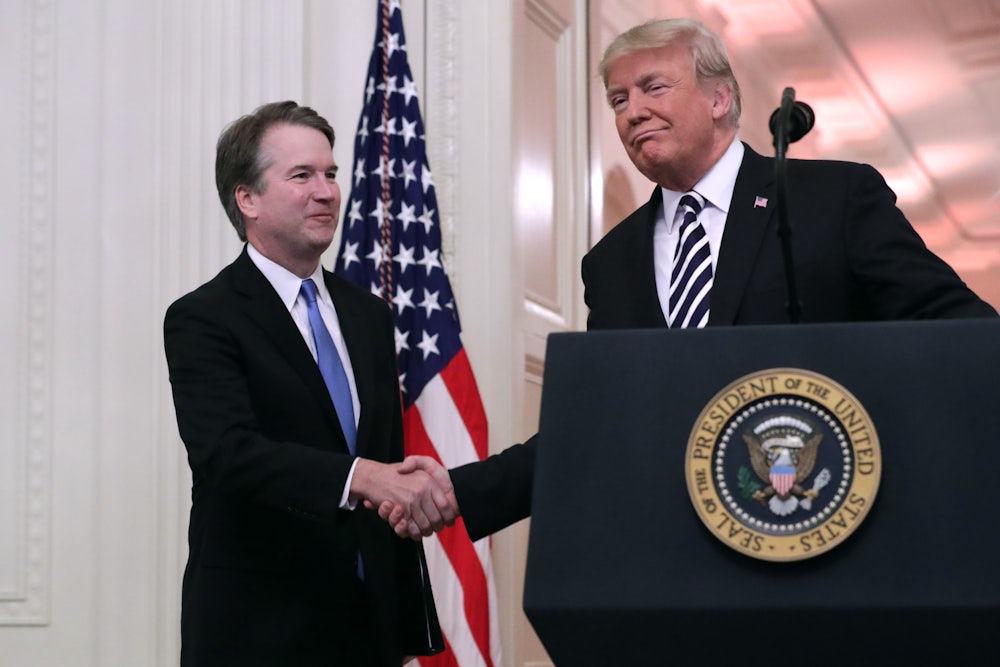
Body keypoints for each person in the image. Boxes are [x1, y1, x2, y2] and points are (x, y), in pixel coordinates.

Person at [381, 17, 999, 541]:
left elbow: (957, 329)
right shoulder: (612, 261)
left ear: (720, 98)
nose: (633, 111)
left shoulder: (831, 199)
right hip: (674, 548)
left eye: (653, 87)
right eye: (619, 100)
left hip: (828, 523)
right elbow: (599, 418)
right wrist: (458, 490)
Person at [163, 101, 459, 666]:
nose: (325, 192)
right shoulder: (205, 316)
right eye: (301, 176)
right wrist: (361, 477)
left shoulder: (369, 315)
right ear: (245, 199)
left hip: (369, 624)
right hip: (260, 625)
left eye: (330, 174)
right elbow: (226, 452)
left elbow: (383, 461)